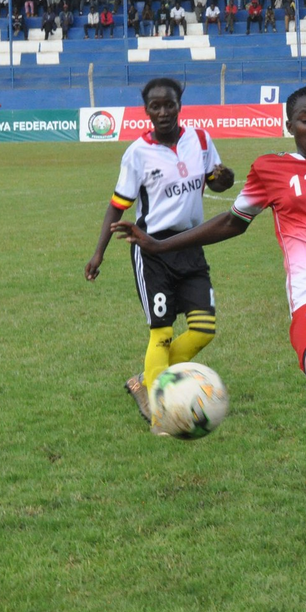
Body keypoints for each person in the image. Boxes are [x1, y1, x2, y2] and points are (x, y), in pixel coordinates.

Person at [111, 87, 306, 565]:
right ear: (289, 125)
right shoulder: (270, 169)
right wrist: (157, 247)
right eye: (305, 119)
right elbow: (232, 222)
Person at [85, 78, 235, 427]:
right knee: (162, 333)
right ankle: (161, 413)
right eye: (156, 106)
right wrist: (98, 254)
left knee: (203, 331)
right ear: (147, 110)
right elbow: (117, 204)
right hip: (151, 249)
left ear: (179, 103)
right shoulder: (137, 153)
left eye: (169, 104)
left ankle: (146, 378)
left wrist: (223, 179)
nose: (163, 111)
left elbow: (216, 181)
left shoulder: (199, 140)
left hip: (191, 243)